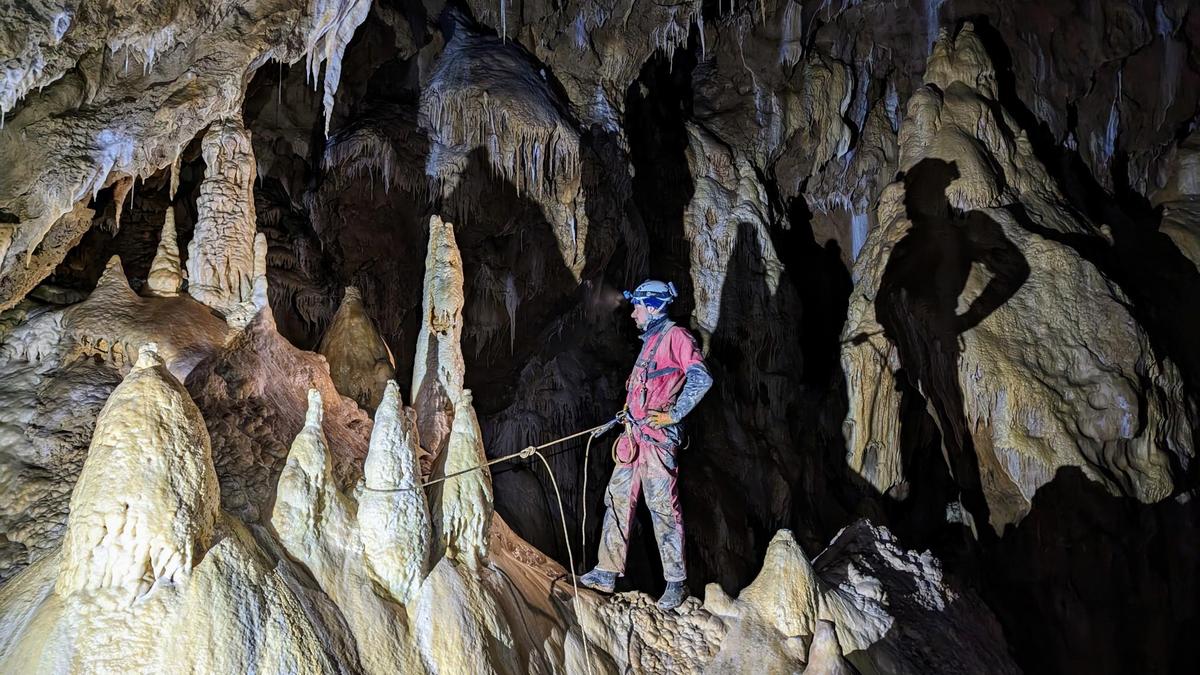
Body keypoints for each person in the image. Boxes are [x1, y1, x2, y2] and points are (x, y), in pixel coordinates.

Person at [578, 280, 713, 610]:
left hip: (656, 441)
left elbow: (701, 377)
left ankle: (676, 583)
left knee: (662, 509)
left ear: (652, 307)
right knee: (618, 500)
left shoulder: (677, 337)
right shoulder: (649, 344)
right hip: (633, 438)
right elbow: (641, 395)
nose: (633, 313)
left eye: (638, 306)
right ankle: (606, 572)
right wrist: (615, 421)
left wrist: (674, 415)